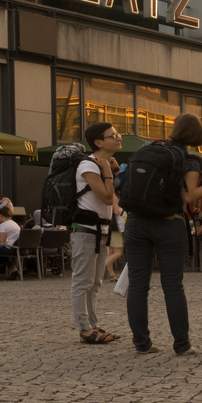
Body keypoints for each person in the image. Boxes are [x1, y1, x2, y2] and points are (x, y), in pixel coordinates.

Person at [125, 112, 202, 356]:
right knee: (173, 285)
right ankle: (182, 345)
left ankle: (142, 343)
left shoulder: (148, 147)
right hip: (168, 223)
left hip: (136, 221)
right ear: (197, 136)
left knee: (138, 285)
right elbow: (187, 196)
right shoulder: (190, 159)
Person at [71, 121, 122, 344]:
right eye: (113, 135)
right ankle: (84, 329)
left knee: (96, 282)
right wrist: (108, 171)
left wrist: (110, 170)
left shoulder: (101, 165)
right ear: (98, 142)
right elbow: (106, 197)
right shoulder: (88, 166)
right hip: (85, 231)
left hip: (99, 231)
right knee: (83, 281)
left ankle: (93, 324)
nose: (118, 137)